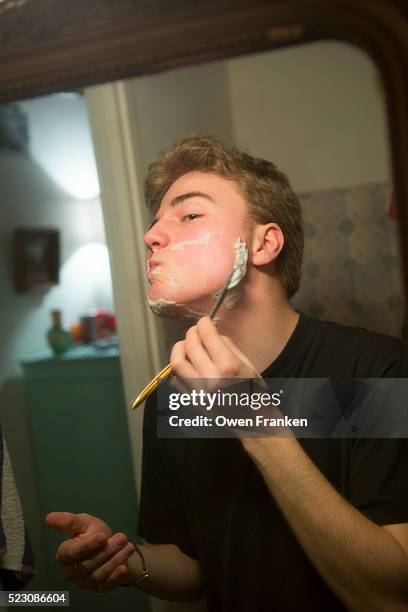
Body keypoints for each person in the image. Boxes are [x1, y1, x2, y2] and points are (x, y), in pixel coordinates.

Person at [46, 133, 408, 611]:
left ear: (263, 243)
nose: (152, 235)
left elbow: (390, 595)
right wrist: (129, 562)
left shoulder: (378, 371)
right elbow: (195, 566)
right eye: (155, 223)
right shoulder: (171, 393)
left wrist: (256, 422)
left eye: (189, 214)